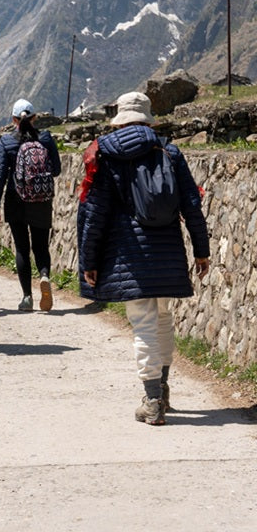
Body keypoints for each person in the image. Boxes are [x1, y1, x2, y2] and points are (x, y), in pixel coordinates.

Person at [78, 91, 210, 426]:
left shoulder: (106, 154)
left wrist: (89, 260)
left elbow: (95, 213)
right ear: (148, 118)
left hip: (129, 255)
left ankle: (152, 401)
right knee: (163, 318)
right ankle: (162, 390)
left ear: (119, 119)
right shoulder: (168, 151)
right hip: (168, 252)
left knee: (144, 325)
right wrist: (201, 250)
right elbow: (192, 205)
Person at [0, 99, 62, 313]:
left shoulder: (7, 141)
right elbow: (56, 170)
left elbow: (0, 174)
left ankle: (27, 297)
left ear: (14, 120)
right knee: (41, 245)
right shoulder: (46, 138)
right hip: (41, 200)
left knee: (22, 248)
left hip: (16, 200)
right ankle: (44, 276)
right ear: (35, 118)